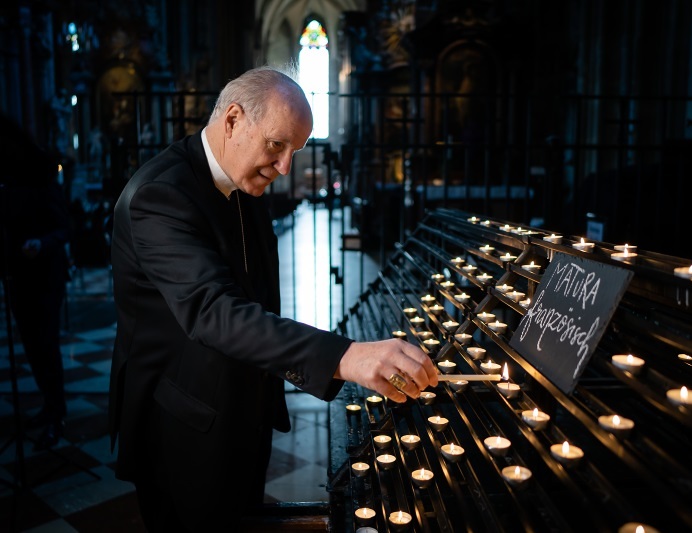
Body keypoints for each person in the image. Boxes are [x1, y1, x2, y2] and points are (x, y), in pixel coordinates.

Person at [109, 65, 438, 532]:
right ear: (233, 120)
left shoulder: (243, 181)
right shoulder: (161, 195)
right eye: (276, 145)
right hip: (183, 426)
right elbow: (213, 310)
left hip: (240, 409)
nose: (285, 166)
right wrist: (345, 356)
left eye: (294, 152)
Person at [0, 113, 71, 450]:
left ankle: (57, 413)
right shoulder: (7, 181)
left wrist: (40, 244)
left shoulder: (42, 175)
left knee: (45, 343)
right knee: (30, 344)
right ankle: (47, 405)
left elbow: (63, 228)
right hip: (18, 273)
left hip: (44, 274)